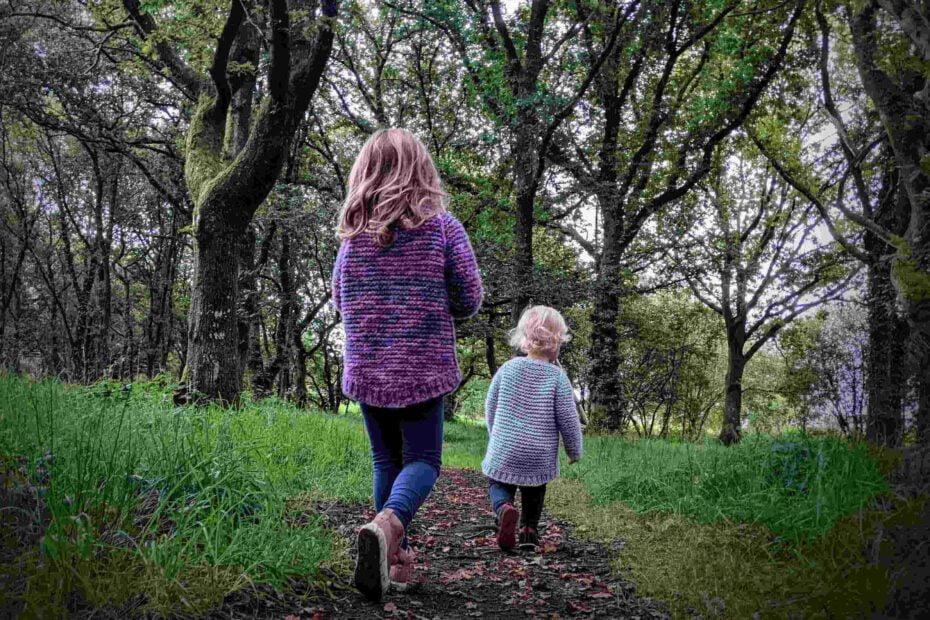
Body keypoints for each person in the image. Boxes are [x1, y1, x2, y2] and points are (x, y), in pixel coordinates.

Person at [332, 128, 483, 600]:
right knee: (422, 461)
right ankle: (390, 526)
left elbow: (340, 299)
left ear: (364, 174)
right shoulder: (441, 226)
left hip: (369, 368)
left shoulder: (352, 237)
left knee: (386, 461)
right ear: (423, 172)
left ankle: (392, 563)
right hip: (421, 367)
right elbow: (469, 296)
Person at [482, 305, 583, 550]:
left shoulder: (508, 369)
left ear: (525, 339)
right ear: (555, 343)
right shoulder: (557, 377)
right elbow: (568, 419)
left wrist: (494, 434)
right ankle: (528, 531)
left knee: (498, 483)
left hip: (505, 446)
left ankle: (504, 508)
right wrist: (574, 450)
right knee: (535, 490)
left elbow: (491, 406)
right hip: (538, 453)